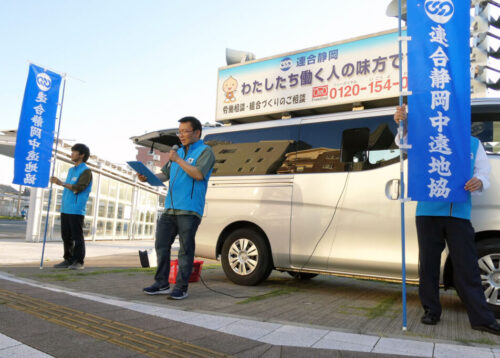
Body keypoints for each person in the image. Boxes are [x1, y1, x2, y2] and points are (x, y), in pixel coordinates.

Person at [394, 105, 500, 335]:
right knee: (429, 265)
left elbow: (483, 173)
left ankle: (482, 318)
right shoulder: (427, 139)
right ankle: (431, 310)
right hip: (428, 211)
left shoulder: (473, 143)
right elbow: (403, 146)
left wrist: (479, 182)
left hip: (458, 213)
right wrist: (402, 124)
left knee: (467, 266)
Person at [140, 116, 215, 300]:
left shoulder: (205, 151)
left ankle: (181, 287)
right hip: (170, 208)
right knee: (161, 245)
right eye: (179, 132)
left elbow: (198, 174)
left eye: (185, 131)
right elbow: (164, 174)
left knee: (185, 249)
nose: (181, 135)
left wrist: (178, 160)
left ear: (197, 132)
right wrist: (148, 176)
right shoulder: (178, 152)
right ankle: (162, 283)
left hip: (189, 209)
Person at [50, 143, 92, 270]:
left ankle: (79, 262)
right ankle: (68, 259)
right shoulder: (71, 170)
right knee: (66, 236)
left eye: (74, 151)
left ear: (82, 155)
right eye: (72, 151)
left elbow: (79, 188)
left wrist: (61, 183)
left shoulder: (86, 171)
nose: (71, 153)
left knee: (77, 237)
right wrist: (60, 183)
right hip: (65, 208)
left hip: (76, 209)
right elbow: (69, 186)